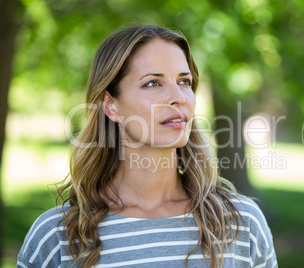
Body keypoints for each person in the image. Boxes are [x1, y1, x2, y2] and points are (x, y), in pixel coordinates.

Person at [17, 24, 277, 268]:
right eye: (153, 83)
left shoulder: (241, 223)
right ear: (111, 105)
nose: (178, 98)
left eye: (184, 81)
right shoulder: (56, 236)